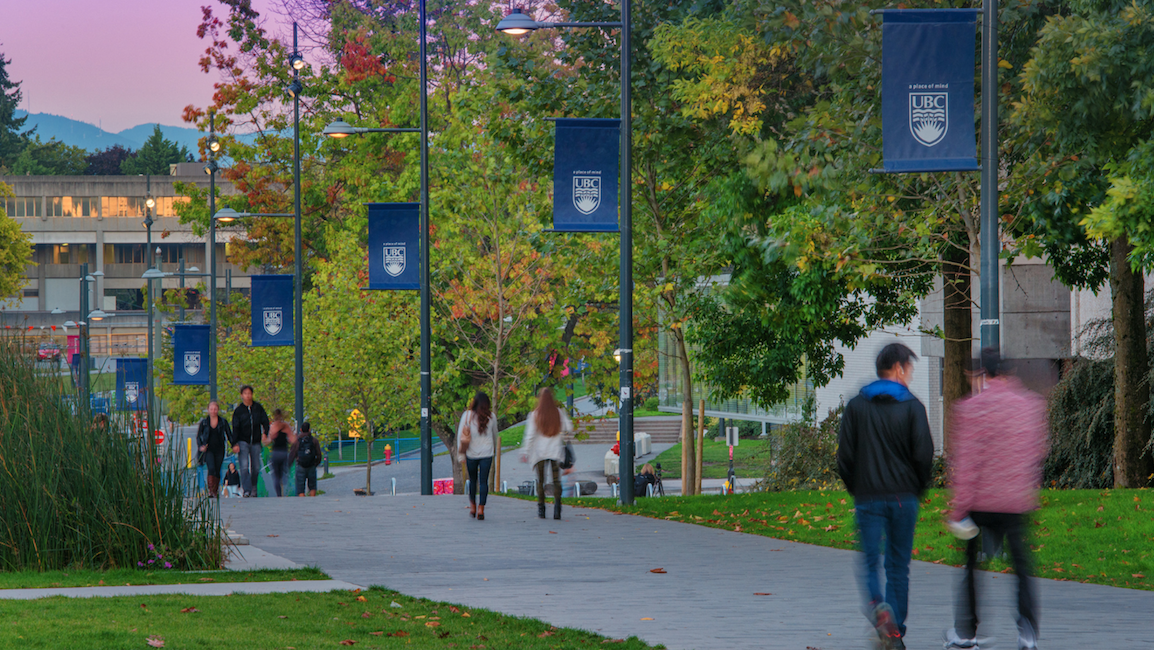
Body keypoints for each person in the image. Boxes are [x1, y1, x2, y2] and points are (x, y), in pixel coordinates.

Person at [944, 348, 1048, 650]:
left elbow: (967, 462)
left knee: (970, 568)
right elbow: (1037, 453)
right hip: (1016, 501)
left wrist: (959, 507)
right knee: (1022, 566)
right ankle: (1027, 632)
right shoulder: (1031, 406)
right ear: (1008, 373)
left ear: (983, 374)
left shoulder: (970, 408)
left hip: (980, 502)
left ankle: (967, 632)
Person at [837, 343, 934, 650]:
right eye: (910, 369)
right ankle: (895, 632)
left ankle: (879, 610)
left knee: (868, 564)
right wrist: (917, 489)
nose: (911, 375)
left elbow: (845, 458)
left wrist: (858, 488)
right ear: (897, 368)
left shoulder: (856, 406)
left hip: (868, 497)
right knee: (897, 567)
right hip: (904, 498)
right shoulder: (913, 407)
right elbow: (924, 455)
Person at [521, 388, 572, 520]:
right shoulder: (559, 413)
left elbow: (530, 435)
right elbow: (569, 428)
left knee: (541, 481)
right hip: (555, 451)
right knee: (556, 480)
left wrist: (525, 451)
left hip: (539, 453)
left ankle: (541, 509)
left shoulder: (535, 415)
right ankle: (557, 508)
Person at [458, 391, 498, 520]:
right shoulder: (491, 417)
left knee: (473, 481)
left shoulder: (467, 416)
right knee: (483, 482)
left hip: (471, 453)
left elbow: (461, 435)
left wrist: (461, 455)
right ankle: (481, 509)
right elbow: (495, 435)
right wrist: (495, 451)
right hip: (487, 453)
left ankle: (473, 506)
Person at [231, 385, 270, 497]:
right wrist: (234, 443)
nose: (248, 396)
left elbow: (265, 421)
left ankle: (254, 487)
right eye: (245, 393)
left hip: (256, 441)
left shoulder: (258, 408)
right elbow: (235, 427)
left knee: (256, 467)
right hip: (243, 441)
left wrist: (265, 433)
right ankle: (246, 489)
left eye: (249, 393)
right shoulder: (239, 411)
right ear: (242, 395)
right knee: (244, 466)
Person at [197, 400, 235, 498]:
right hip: (208, 449)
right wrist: (201, 446)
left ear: (218, 410)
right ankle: (210, 491)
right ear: (208, 410)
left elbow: (229, 434)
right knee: (211, 468)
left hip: (219, 448)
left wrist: (233, 445)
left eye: (215, 409)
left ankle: (215, 490)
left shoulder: (223, 421)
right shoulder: (204, 423)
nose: (213, 411)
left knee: (217, 469)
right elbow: (198, 436)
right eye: (211, 409)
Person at [264, 409, 296, 498]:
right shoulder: (286, 426)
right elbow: (292, 440)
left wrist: (265, 439)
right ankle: (284, 478)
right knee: (284, 471)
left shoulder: (273, 426)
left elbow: (269, 440)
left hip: (275, 452)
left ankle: (279, 494)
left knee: (276, 476)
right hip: (284, 452)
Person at [292, 422, 321, 497]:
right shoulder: (314, 440)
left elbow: (293, 453)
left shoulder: (297, 441)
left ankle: (303, 504)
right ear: (309, 430)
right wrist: (315, 464)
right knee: (312, 486)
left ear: (301, 429)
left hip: (301, 466)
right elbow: (319, 454)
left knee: (300, 487)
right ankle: (312, 501)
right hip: (311, 465)